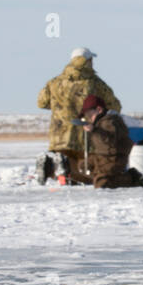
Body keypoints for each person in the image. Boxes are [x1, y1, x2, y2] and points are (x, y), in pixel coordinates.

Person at [36, 48, 121, 184]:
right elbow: (115, 105)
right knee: (89, 175)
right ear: (88, 61)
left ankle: (50, 167)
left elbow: (41, 103)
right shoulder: (95, 83)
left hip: (59, 137)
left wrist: (60, 108)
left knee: (64, 167)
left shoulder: (54, 82)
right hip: (85, 139)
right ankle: (64, 173)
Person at [81, 95, 143, 189]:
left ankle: (133, 179)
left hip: (114, 159)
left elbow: (109, 142)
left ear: (99, 110)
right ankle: (101, 176)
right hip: (101, 157)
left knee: (102, 183)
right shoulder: (100, 122)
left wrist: (94, 131)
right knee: (83, 166)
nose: (89, 118)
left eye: (89, 115)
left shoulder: (110, 122)